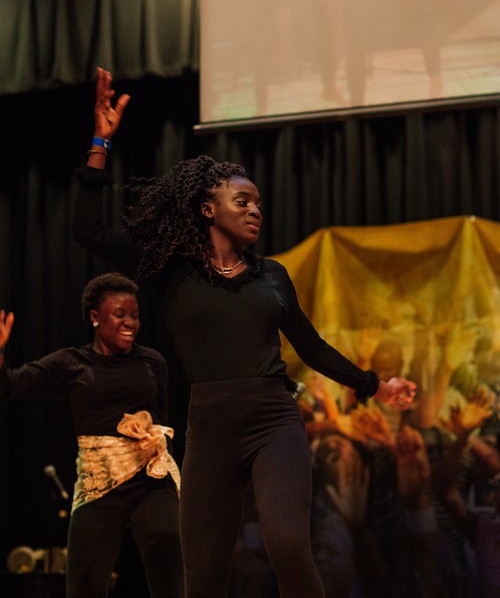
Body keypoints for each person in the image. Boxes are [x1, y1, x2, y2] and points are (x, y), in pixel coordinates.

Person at [72, 67, 417, 598]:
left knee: (288, 545)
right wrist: (100, 143)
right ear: (208, 209)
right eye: (243, 202)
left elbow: (311, 347)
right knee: (203, 573)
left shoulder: (271, 276)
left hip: (273, 420)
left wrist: (376, 385)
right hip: (210, 428)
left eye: (258, 203)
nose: (255, 210)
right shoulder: (170, 273)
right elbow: (89, 230)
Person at [0, 273, 183, 598]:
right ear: (95, 317)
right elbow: (10, 386)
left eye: (135, 315)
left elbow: (162, 419)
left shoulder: (152, 361)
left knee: (170, 572)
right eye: (120, 315)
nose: (130, 323)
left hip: (151, 480)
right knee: (84, 585)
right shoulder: (71, 363)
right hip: (99, 483)